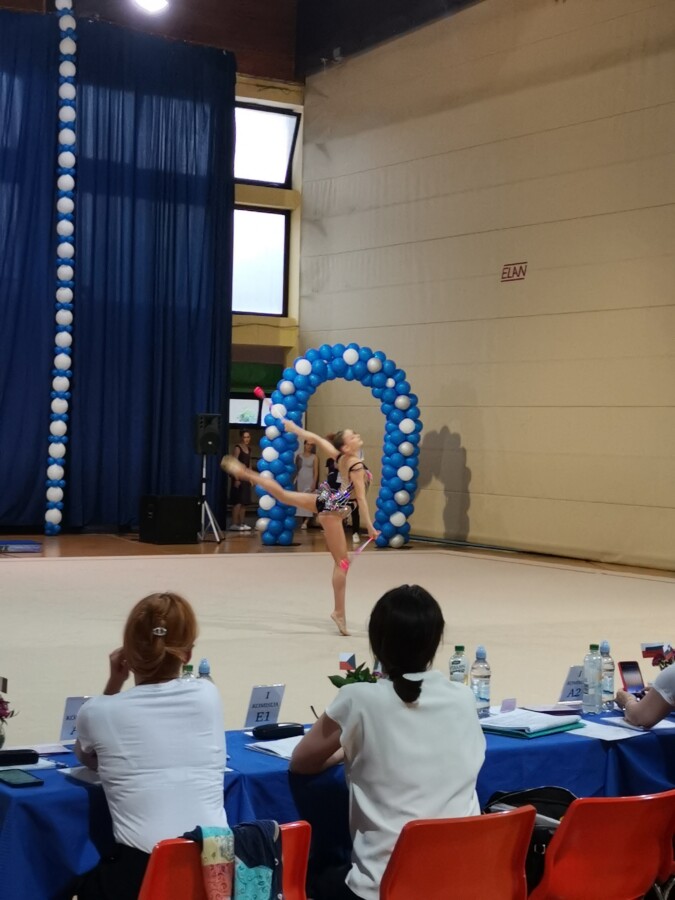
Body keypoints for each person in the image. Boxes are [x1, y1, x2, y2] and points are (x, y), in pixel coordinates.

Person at [289, 584, 486, 900]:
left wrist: (346, 750)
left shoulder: (358, 698)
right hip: (466, 883)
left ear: (377, 643)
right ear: (435, 642)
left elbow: (302, 761)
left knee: (310, 874)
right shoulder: (464, 697)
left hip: (384, 887)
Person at [73, 591, 227, 900]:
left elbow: (87, 757)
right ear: (188, 654)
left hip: (144, 873)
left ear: (126, 654)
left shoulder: (98, 711)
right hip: (214, 867)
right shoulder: (207, 694)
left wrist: (114, 683)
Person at [221, 420, 379, 636]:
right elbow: (360, 498)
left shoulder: (342, 457)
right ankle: (339, 612)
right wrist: (369, 526)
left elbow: (316, 439)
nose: (357, 436)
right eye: (353, 436)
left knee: (285, 495)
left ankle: (247, 473)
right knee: (341, 564)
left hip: (328, 501)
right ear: (346, 446)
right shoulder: (356, 465)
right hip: (333, 510)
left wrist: (294, 428)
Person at [229, 429, 253, 531]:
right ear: (241, 438)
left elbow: (249, 464)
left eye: (248, 437)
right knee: (237, 502)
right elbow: (233, 463)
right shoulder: (237, 448)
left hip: (245, 478)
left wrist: (251, 477)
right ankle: (234, 523)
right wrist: (236, 479)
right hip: (238, 478)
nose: (246, 439)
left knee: (244, 502)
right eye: (244, 437)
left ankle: (242, 523)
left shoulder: (249, 449)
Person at [295, 438, 319, 529]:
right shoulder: (299, 456)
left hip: (309, 480)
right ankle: (301, 520)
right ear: (304, 445)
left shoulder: (314, 457)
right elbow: (296, 469)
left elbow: (316, 472)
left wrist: (314, 482)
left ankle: (306, 521)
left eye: (311, 445)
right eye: (307, 444)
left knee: (308, 500)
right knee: (301, 500)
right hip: (300, 479)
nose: (309, 446)